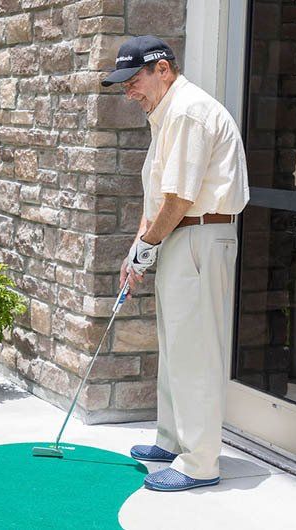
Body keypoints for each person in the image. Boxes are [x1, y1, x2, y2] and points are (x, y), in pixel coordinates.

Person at [101, 36, 250, 491]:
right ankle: (172, 439)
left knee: (196, 352)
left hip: (200, 235)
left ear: (163, 69)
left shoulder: (186, 112)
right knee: (175, 345)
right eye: (123, 84)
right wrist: (137, 249)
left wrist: (148, 245)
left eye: (135, 79)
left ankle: (200, 463)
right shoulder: (164, 115)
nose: (129, 91)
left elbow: (181, 198)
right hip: (180, 236)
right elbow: (160, 195)